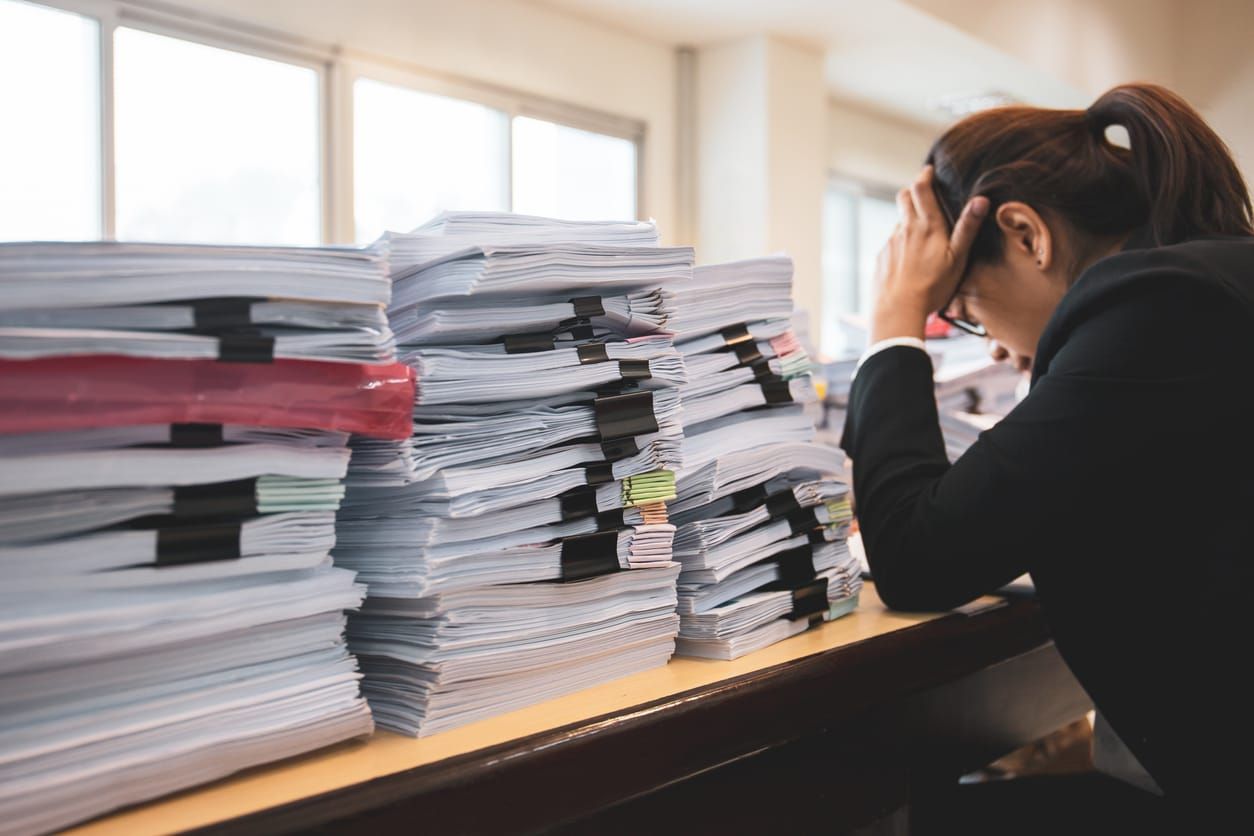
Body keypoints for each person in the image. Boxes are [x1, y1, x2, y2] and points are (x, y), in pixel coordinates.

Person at [839, 82, 1254, 830]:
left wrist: (896, 320)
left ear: (1028, 234)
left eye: (962, 314)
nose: (993, 346)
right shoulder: (1210, 285)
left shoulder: (1154, 307)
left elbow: (913, 557)